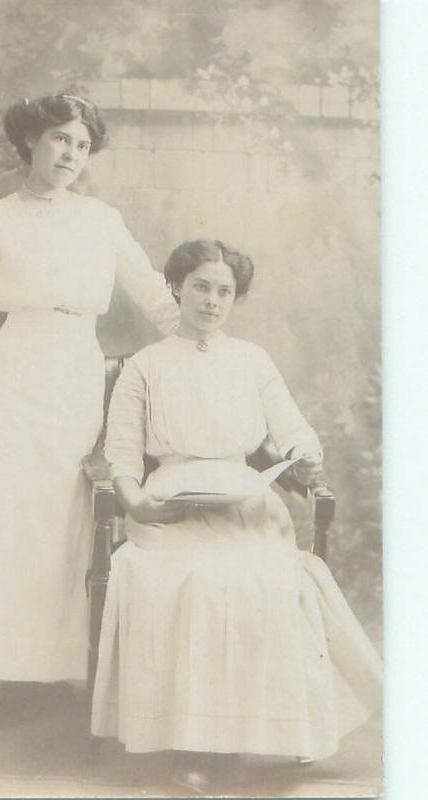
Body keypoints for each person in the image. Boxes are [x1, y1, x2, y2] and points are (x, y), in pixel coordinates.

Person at [91, 239, 382, 790]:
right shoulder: (145, 367)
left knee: (264, 580)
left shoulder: (252, 360)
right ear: (176, 287)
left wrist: (305, 458)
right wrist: (137, 504)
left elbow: (292, 430)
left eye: (225, 291)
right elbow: (124, 455)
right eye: (201, 286)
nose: (212, 300)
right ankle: (195, 747)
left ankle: (262, 733)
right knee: (193, 581)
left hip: (246, 502)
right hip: (169, 504)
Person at [0, 94, 179, 684]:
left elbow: (156, 295)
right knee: (4, 516)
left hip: (75, 374)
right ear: (31, 141)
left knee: (61, 518)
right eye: (61, 139)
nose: (72, 153)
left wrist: (204, 343)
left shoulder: (102, 221)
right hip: (10, 378)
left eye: (83, 144)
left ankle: (57, 664)